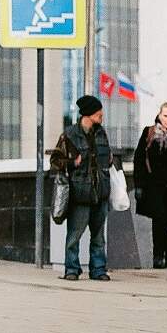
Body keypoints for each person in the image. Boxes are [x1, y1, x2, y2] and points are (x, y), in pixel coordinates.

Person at [50, 95, 113, 281]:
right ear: (88, 113)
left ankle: (98, 269)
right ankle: (71, 269)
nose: (101, 115)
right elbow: (55, 160)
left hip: (100, 191)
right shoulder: (70, 134)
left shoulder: (102, 133)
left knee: (99, 237)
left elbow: (106, 157)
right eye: (98, 112)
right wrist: (72, 162)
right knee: (74, 236)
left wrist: (109, 160)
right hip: (80, 192)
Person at [132, 101, 167, 269]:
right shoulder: (148, 133)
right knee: (159, 221)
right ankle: (158, 257)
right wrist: (139, 185)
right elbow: (139, 160)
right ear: (159, 115)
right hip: (154, 186)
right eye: (165, 116)